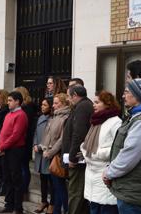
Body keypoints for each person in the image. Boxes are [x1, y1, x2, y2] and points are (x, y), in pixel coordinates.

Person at [102, 79, 141, 214]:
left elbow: (129, 155)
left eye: (127, 92)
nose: (123, 96)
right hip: (132, 190)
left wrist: (109, 173)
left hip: (134, 193)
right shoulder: (138, 116)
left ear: (138, 95)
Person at [81, 91, 122, 214]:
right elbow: (87, 143)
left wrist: (96, 153)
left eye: (97, 102)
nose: (94, 105)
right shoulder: (96, 120)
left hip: (104, 174)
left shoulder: (116, 122)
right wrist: (84, 148)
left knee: (106, 209)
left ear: (107, 104)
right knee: (94, 209)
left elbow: (118, 148)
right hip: (90, 174)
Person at [62, 85, 94, 214]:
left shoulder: (83, 107)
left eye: (69, 96)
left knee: (75, 192)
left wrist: (72, 156)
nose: (69, 100)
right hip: (77, 157)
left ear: (75, 95)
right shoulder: (81, 106)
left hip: (78, 160)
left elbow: (79, 133)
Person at [0, 91, 28, 214]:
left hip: (15, 151)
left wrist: (2, 147)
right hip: (6, 150)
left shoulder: (21, 115)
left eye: (10, 100)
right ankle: (8, 204)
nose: (7, 102)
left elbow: (15, 135)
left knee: (16, 179)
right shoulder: (9, 114)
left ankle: (17, 207)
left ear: (17, 101)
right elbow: (3, 132)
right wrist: (1, 147)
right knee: (7, 178)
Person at [40, 94, 71, 214]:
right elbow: (48, 134)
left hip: (57, 155)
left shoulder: (65, 117)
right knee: (56, 187)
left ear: (64, 103)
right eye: (53, 103)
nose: (53, 105)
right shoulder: (55, 116)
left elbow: (62, 139)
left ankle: (67, 210)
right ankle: (57, 211)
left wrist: (50, 152)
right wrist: (43, 147)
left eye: (56, 103)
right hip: (49, 153)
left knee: (60, 187)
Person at [34, 97, 59, 214]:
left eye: (45, 105)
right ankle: (44, 201)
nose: (42, 107)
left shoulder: (53, 119)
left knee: (51, 180)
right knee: (42, 179)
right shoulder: (40, 118)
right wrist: (34, 144)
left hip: (47, 152)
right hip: (39, 154)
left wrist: (40, 146)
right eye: (42, 104)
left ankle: (52, 204)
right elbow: (36, 133)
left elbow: (49, 137)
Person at [14, 86, 38, 197]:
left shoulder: (27, 108)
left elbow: (25, 128)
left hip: (24, 142)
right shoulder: (24, 108)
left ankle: (23, 190)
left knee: (24, 167)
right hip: (22, 142)